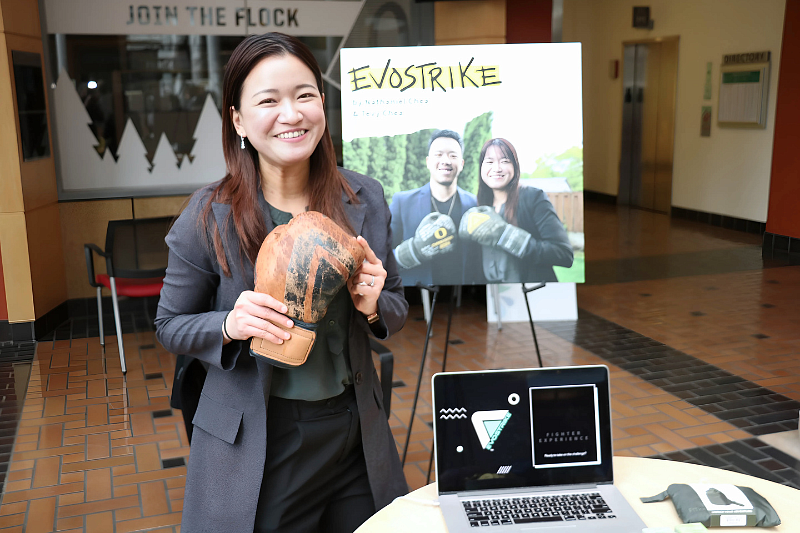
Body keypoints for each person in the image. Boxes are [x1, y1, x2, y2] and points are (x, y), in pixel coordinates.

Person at [155, 33, 408, 533]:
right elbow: (169, 325)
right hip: (264, 438)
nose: (291, 114)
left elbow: (396, 305)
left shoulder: (365, 197)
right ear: (238, 121)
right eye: (268, 100)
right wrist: (230, 323)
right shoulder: (209, 214)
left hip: (355, 428)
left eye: (304, 95)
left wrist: (375, 304)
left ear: (322, 105)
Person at [460, 138, 573, 283]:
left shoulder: (533, 197)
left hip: (530, 292)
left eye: (505, 161)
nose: (497, 168)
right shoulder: (479, 208)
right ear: (481, 168)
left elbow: (563, 254)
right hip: (492, 294)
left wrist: (507, 236)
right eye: (489, 162)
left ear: (515, 166)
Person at [389, 129, 481, 286]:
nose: (445, 161)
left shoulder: (476, 205)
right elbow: (382, 259)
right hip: (417, 299)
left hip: (464, 298)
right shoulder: (402, 202)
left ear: (462, 164)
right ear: (428, 162)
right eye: (438, 155)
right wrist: (412, 251)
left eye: (453, 155)